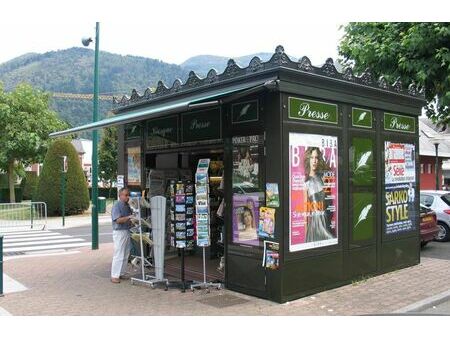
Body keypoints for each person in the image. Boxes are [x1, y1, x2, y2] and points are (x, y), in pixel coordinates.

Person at [304, 147, 334, 242]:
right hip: (315, 225)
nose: (314, 161)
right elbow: (306, 211)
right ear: (308, 160)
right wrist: (306, 233)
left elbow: (329, 202)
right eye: (312, 158)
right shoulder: (306, 183)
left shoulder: (323, 178)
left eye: (316, 157)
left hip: (325, 222)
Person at [111, 187, 134, 283]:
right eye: (125, 195)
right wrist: (129, 217)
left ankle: (122, 273)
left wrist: (132, 221)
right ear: (120, 195)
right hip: (119, 232)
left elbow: (128, 220)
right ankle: (114, 275)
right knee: (119, 253)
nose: (127, 197)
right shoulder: (116, 206)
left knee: (126, 253)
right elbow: (118, 220)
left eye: (128, 195)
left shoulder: (127, 206)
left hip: (126, 230)